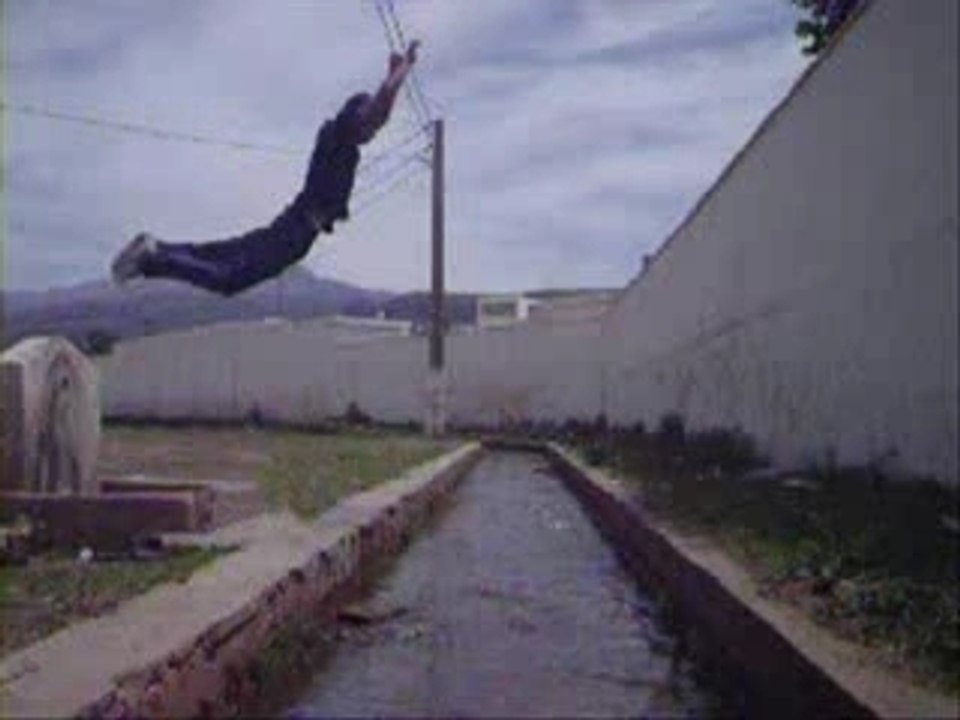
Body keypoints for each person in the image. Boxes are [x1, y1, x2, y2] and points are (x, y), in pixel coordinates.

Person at [110, 40, 421, 296]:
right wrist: (393, 82)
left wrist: (391, 82)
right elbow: (372, 116)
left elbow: (374, 117)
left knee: (221, 255)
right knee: (229, 279)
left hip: (292, 224)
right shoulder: (340, 135)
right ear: (354, 117)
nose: (373, 134)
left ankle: (157, 247)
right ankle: (151, 259)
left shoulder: (340, 139)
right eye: (368, 128)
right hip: (296, 230)